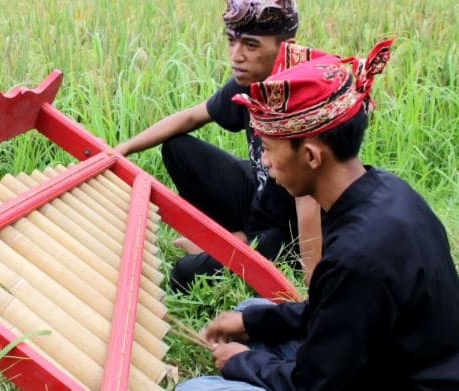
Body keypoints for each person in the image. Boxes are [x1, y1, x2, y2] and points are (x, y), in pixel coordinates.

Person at [177, 39, 459, 390]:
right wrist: (252, 323)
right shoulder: (388, 190)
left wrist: (241, 361)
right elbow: (328, 311)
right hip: (388, 355)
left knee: (196, 389)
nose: (264, 162)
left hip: (396, 379)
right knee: (252, 310)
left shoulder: (357, 258)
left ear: (311, 156)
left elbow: (313, 385)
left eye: (267, 149)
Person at [115, 0, 323, 292]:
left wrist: (313, 287)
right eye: (232, 41)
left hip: (286, 228)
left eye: (250, 45)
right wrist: (121, 149)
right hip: (261, 195)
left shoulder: (300, 102)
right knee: (177, 148)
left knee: (184, 275)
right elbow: (190, 117)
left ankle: (244, 241)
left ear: (286, 46)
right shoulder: (249, 81)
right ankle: (237, 235)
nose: (236, 56)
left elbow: (308, 203)